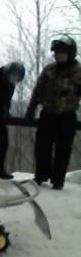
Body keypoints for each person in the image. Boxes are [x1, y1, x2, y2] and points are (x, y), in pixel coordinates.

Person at [25, 34, 81, 190]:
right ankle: (41, 175)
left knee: (63, 149)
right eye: (57, 53)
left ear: (70, 53)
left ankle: (58, 180)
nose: (59, 55)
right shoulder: (49, 69)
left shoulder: (78, 71)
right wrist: (31, 108)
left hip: (66, 116)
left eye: (62, 52)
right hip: (47, 114)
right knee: (42, 146)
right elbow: (38, 90)